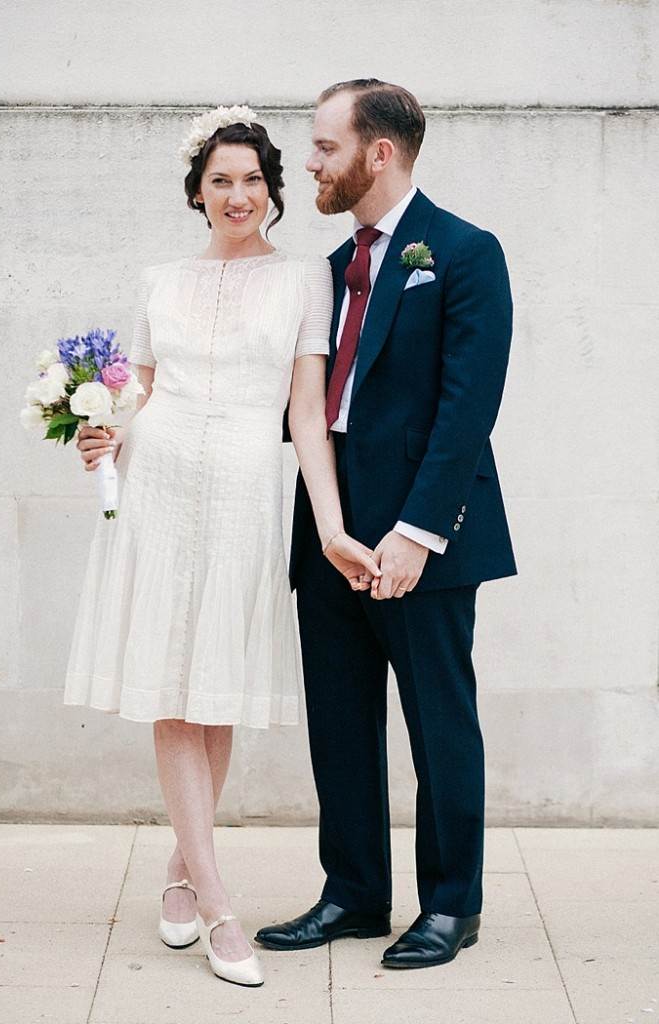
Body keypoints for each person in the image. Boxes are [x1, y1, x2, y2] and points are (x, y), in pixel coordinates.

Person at [63, 105, 380, 988]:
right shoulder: (159, 279)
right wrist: (102, 432)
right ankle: (215, 900)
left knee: (215, 691)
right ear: (196, 193)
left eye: (251, 180)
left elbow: (309, 423)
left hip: (244, 490)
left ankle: (177, 863)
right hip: (160, 491)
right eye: (219, 182)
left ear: (270, 190)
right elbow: (141, 393)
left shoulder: (305, 281)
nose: (236, 195)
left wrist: (327, 525)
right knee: (172, 688)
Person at [255, 80, 517, 969]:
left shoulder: (465, 252)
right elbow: (291, 405)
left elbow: (465, 410)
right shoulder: (324, 272)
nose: (310, 163)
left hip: (424, 541)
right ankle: (354, 895)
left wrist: (415, 532)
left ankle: (451, 905)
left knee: (440, 721)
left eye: (325, 147)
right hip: (328, 534)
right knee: (339, 721)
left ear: (378, 153)